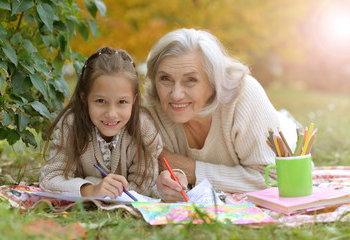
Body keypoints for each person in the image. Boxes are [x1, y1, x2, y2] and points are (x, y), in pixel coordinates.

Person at [144, 28, 297, 202]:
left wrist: (193, 170)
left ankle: (285, 117)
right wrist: (163, 185)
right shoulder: (152, 109)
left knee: (285, 126)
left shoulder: (244, 94)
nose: (176, 94)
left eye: (191, 80)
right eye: (165, 78)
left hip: (284, 133)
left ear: (213, 81)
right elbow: (143, 176)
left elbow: (272, 179)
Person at [40, 47, 162, 199]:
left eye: (122, 102)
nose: (111, 113)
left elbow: (145, 183)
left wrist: (108, 190)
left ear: (134, 99)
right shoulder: (71, 124)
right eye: (100, 101)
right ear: (84, 97)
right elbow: (51, 178)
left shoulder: (144, 127)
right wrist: (90, 189)